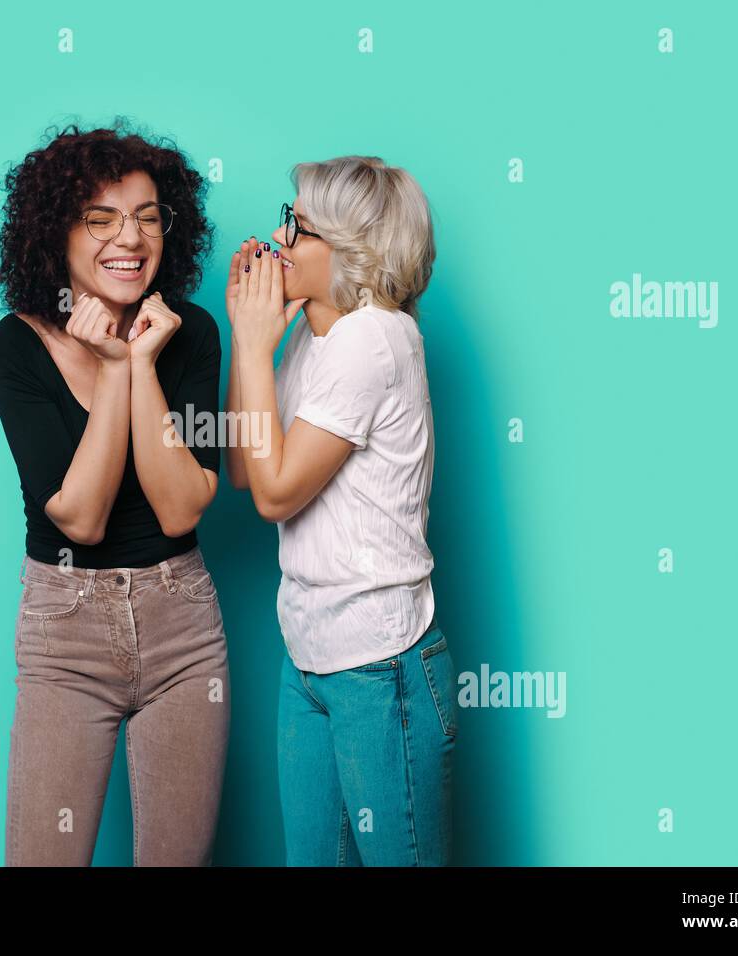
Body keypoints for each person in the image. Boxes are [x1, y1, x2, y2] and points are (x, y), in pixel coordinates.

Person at [0, 124, 228, 865]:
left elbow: (181, 507)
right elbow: (81, 518)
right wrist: (114, 367)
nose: (131, 237)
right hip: (67, 635)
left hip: (183, 630)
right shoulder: (14, 346)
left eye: (148, 215)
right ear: (54, 230)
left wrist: (141, 364)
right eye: (102, 218)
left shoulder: (190, 335)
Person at [225, 155, 457, 865]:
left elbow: (274, 493)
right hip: (310, 657)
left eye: (296, 225)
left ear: (352, 250)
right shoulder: (314, 335)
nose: (277, 236)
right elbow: (244, 466)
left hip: (379, 668)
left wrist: (255, 345)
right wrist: (251, 341)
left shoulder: (375, 337)